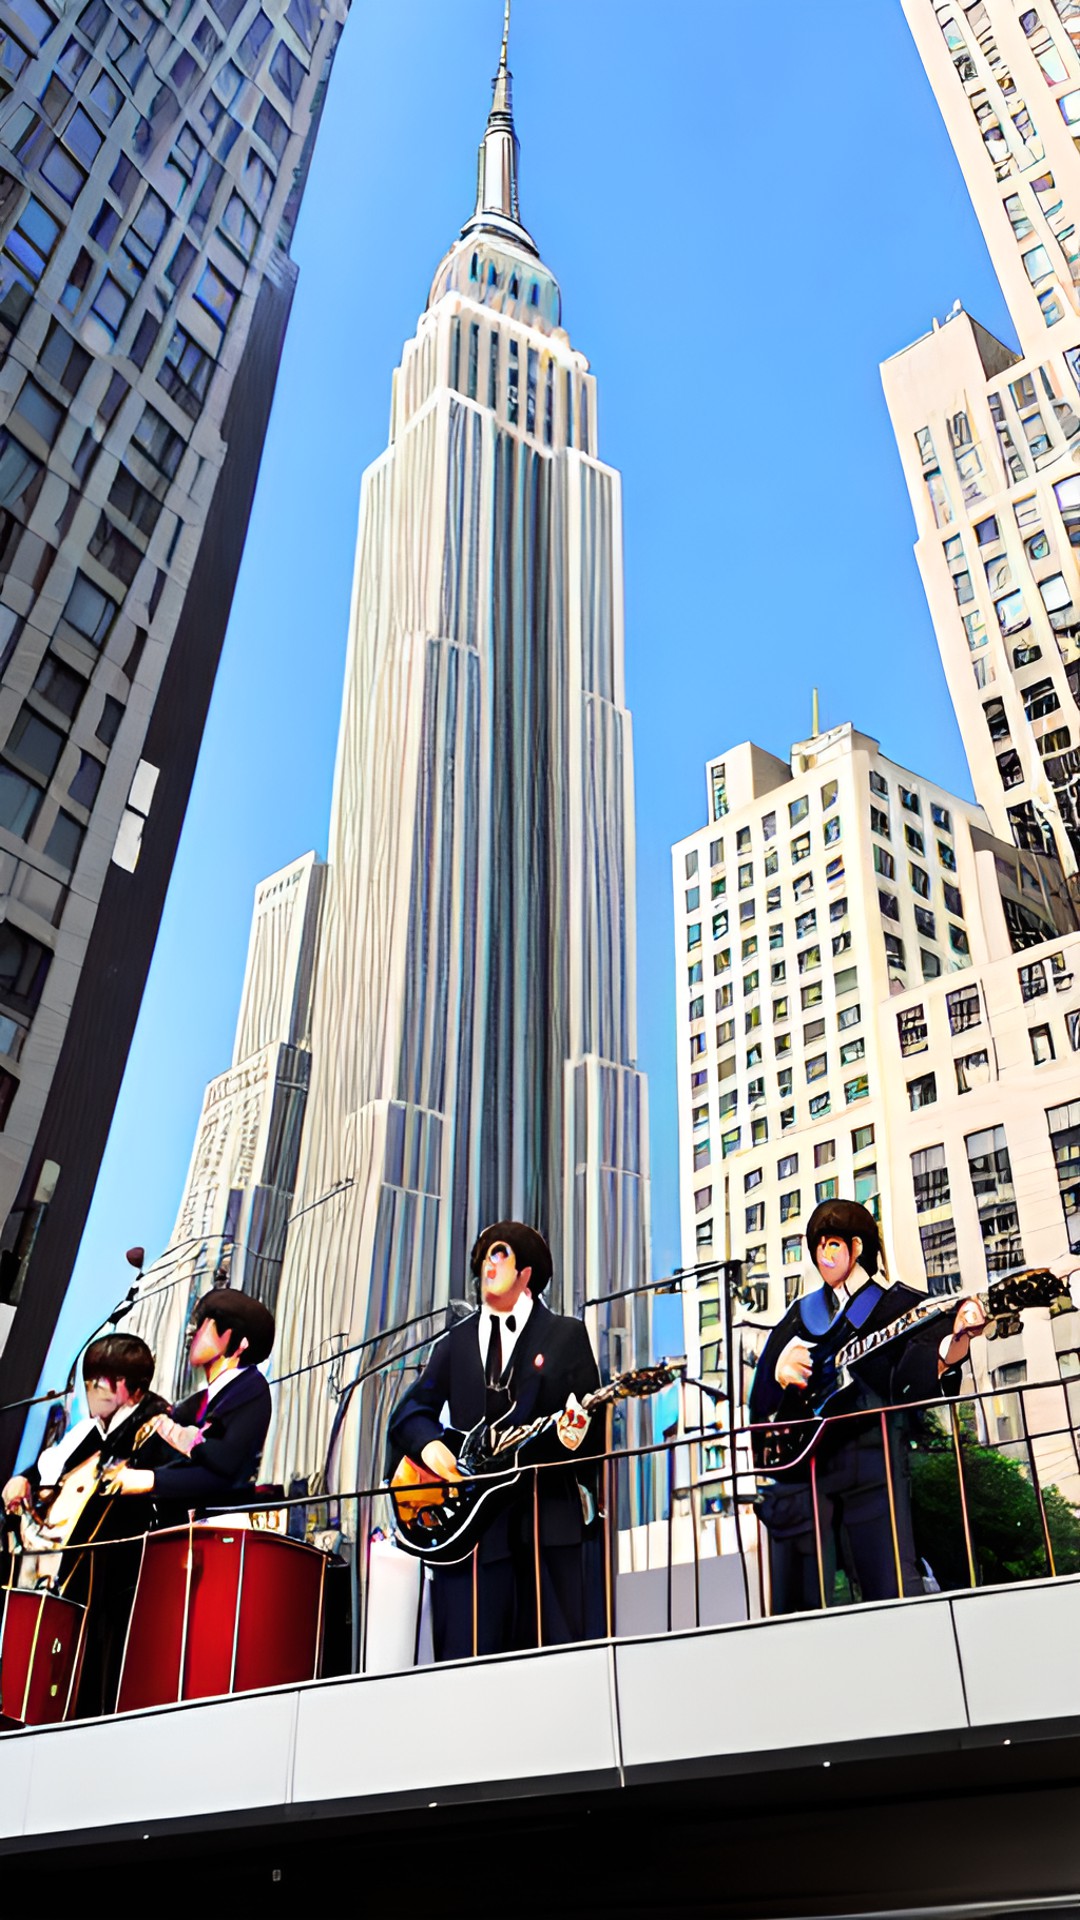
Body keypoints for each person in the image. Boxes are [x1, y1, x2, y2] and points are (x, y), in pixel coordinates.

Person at [748, 1198, 986, 1614]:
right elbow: (761, 1409)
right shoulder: (798, 1318)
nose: (823, 1256)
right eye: (817, 1247)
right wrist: (780, 1378)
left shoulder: (902, 1307)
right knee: (802, 1611)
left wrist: (955, 1345)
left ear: (857, 1247)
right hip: (807, 1478)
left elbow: (914, 1382)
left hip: (876, 1463)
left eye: (832, 1244)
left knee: (890, 1589)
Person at [386, 1221, 603, 1660]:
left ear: (527, 1272)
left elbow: (593, 1436)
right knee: (466, 1669)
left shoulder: (566, 1335)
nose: (488, 1263)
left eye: (499, 1253)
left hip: (544, 1526)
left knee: (553, 1666)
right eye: (484, 1256)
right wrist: (432, 1448)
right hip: (469, 1537)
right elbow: (409, 1414)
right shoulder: (455, 1342)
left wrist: (575, 1435)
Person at [1, 1333, 168, 1716]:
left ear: (128, 1389)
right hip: (69, 1564)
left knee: (97, 1669)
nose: (89, 1392)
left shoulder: (155, 1427)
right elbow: (50, 1467)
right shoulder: (93, 1427)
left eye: (97, 1384)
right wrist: (23, 1479)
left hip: (117, 1569)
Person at [108, 1287, 276, 1515]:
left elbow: (226, 1470)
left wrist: (149, 1479)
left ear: (241, 1343)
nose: (191, 1332)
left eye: (204, 1325)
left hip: (214, 1533)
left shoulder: (251, 1390)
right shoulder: (197, 1402)